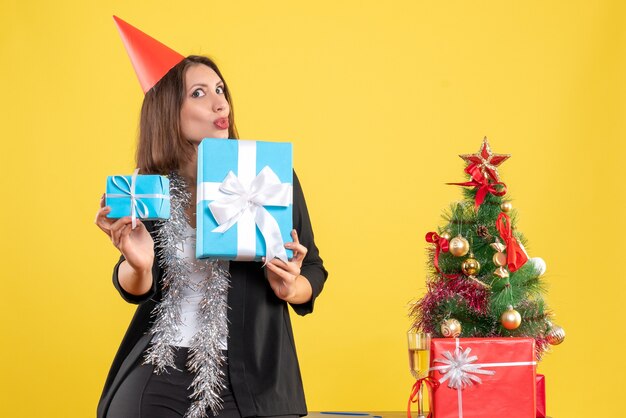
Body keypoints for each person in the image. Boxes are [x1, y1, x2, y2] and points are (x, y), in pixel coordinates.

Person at [95, 17, 327, 418]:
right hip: (160, 371)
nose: (220, 103)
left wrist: (292, 288)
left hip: (253, 378)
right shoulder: (148, 186)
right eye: (199, 93)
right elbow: (132, 285)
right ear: (169, 110)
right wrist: (138, 264)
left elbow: (315, 272)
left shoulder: (268, 176)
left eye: (220, 90)